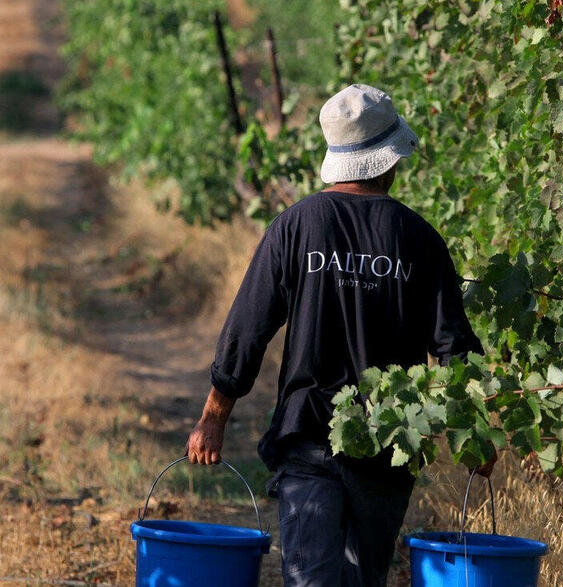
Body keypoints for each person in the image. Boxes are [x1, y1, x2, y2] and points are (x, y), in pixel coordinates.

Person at [184, 83, 491, 586]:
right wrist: (473, 433)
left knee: (310, 579)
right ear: (388, 160)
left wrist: (213, 417)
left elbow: (246, 329)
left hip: (307, 438)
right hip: (389, 440)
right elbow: (453, 349)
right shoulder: (419, 239)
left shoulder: (294, 226)